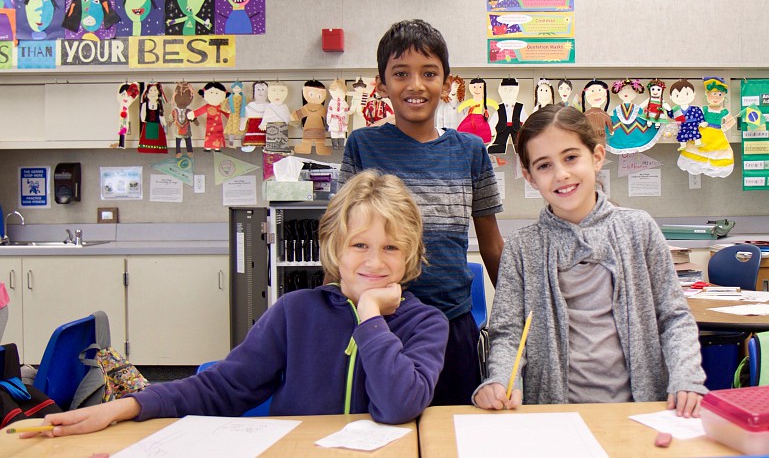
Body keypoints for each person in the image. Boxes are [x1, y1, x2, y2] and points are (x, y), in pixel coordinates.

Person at [22, 170, 449, 438]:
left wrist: (372, 316)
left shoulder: (426, 324)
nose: (375, 261)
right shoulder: (296, 311)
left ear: (410, 254)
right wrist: (130, 404)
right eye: (360, 244)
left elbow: (398, 406)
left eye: (391, 247)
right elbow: (222, 386)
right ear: (335, 247)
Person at [473, 105, 707, 417]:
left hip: (639, 412)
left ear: (596, 157)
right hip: (555, 419)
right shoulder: (521, 247)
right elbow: (508, 333)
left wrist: (686, 376)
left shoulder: (638, 228)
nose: (561, 174)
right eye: (544, 166)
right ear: (530, 177)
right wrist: (502, 379)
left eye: (571, 157)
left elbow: (674, 317)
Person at [341, 19, 504, 406]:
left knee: (454, 428)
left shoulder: (471, 151)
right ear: (381, 83)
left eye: (429, 73)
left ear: (447, 84)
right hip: (381, 320)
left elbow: (492, 244)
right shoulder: (362, 145)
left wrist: (515, 308)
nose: (416, 85)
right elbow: (341, 238)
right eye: (401, 74)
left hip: (452, 323)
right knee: (380, 424)